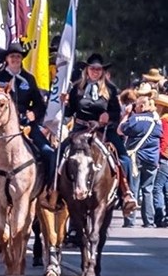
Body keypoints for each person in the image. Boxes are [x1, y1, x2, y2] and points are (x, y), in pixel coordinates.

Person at [0, 42, 50, 209]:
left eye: (18, 57)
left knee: (48, 152)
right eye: (12, 56)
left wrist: (34, 114)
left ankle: (48, 191)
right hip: (0, 128)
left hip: (26, 125)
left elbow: (39, 105)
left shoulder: (28, 79)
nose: (15, 59)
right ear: (6, 59)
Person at [64, 53, 137, 216]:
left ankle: (126, 193)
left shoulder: (110, 89)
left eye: (98, 69)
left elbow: (116, 112)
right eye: (92, 69)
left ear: (102, 71)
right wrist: (65, 103)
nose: (95, 72)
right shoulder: (77, 88)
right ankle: (53, 190)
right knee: (60, 154)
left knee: (123, 158)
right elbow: (70, 112)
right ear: (87, 70)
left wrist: (107, 118)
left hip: (103, 130)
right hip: (80, 129)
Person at [119, 95, 162, 228]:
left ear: (141, 106)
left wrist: (126, 114)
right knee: (148, 189)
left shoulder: (134, 119)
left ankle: (130, 220)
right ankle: (149, 221)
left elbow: (120, 130)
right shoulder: (156, 121)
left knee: (133, 189)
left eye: (136, 106)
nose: (134, 108)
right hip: (152, 159)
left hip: (135, 159)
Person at [152, 94, 168, 227]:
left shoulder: (164, 120)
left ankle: (159, 216)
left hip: (165, 157)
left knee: (157, 188)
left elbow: (163, 140)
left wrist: (159, 155)